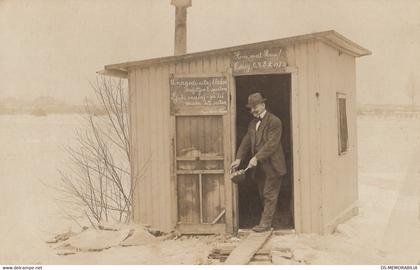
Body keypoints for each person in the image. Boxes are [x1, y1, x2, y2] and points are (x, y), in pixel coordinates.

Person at [231, 92, 287, 232]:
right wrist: (239, 158)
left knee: (269, 194)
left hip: (273, 166)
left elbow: (271, 144)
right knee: (263, 194)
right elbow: (246, 141)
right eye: (251, 108)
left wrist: (256, 158)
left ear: (263, 105)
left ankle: (265, 224)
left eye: (255, 107)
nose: (253, 111)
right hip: (260, 168)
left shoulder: (274, 121)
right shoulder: (252, 123)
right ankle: (272, 220)